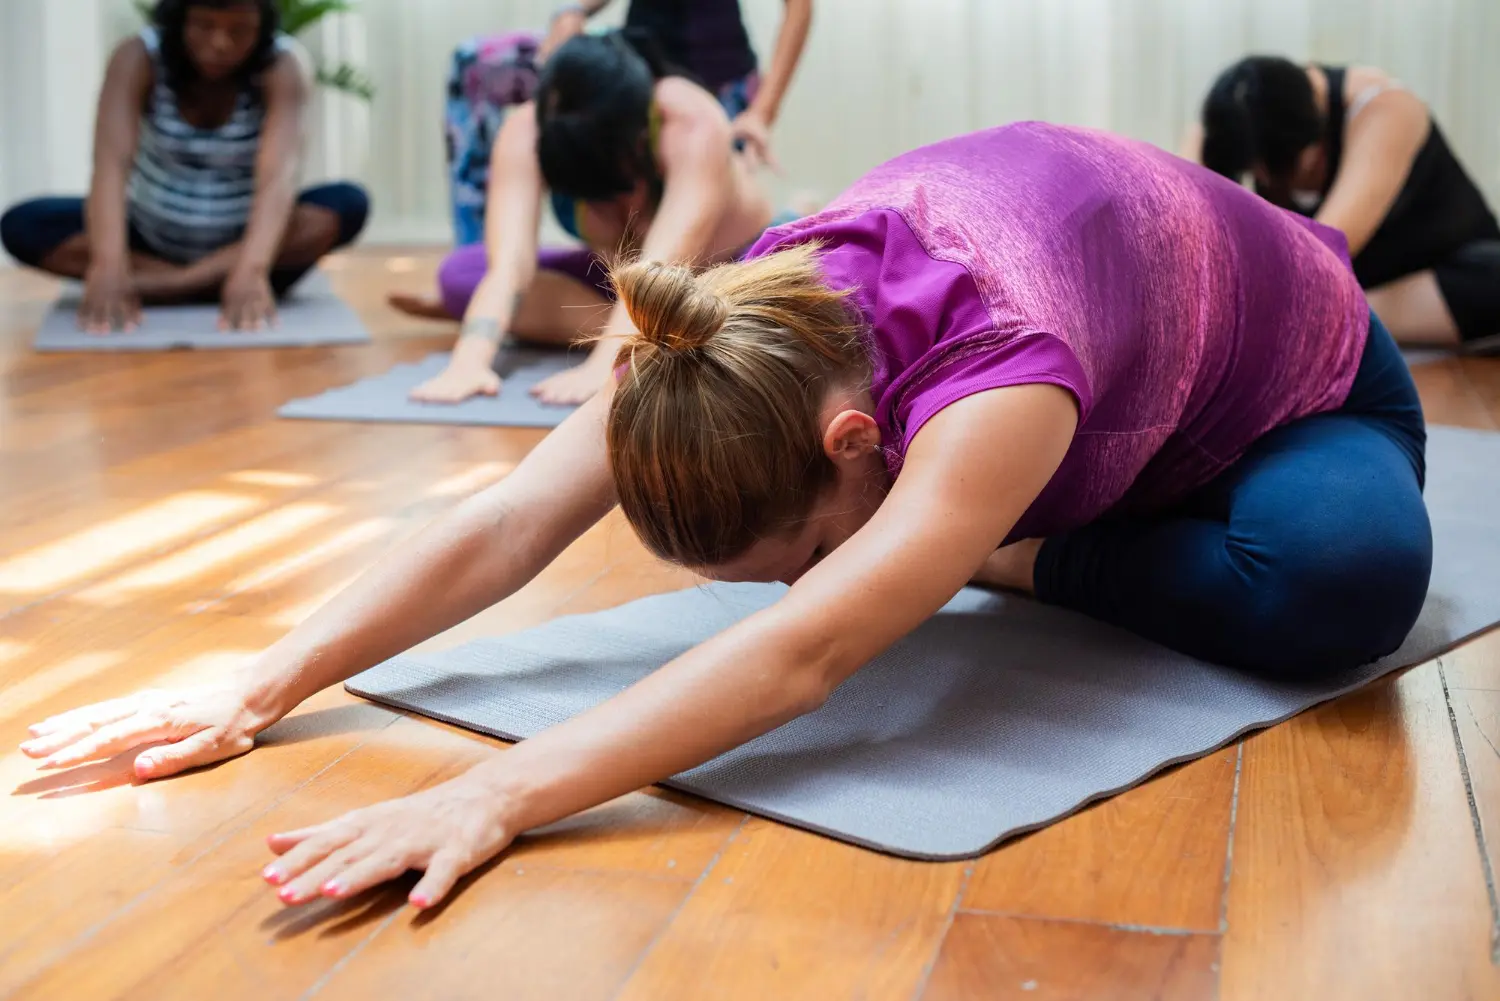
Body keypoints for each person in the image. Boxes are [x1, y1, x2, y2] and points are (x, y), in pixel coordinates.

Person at [22, 123, 1432, 913]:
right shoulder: (714, 334)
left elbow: (812, 657)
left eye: (810, 551)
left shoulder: (993, 367)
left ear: (853, 441)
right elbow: (511, 518)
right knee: (932, 552)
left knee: (1345, 584)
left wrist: (497, 789)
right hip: (1094, 407)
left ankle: (1019, 548)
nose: (804, 587)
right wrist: (258, 680)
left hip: (1296, 397)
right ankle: (987, 540)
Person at [402, 30, 782, 408]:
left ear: (637, 137)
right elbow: (509, 268)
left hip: (728, 274)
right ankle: (677, 336)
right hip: (625, 290)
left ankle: (668, 332)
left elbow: (660, 269)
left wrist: (606, 365)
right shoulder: (530, 129)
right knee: (460, 275)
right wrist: (468, 362)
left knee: (818, 281)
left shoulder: (691, 122)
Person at [0, 0, 370, 333]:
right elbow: (111, 166)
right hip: (150, 238)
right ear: (178, 21)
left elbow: (278, 179)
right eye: (204, 26)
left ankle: (166, 287)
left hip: (243, 244)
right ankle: (202, 283)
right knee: (24, 223)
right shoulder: (137, 57)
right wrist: (109, 264)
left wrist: (253, 268)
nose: (221, 43)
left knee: (346, 204)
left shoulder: (283, 65)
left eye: (239, 31)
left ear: (261, 29)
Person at [419, 0, 812, 255]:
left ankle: (795, 218)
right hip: (630, 61)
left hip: (716, 78)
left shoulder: (697, 121)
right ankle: (477, 257)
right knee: (471, 65)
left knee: (708, 246)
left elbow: (799, 7)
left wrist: (761, 112)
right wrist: (572, 11)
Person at [1183, 56, 1500, 351]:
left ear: (1313, 136)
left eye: (1279, 171)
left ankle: (1331, 319)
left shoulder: (1384, 109)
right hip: (1350, 286)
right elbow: (1189, 239)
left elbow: (1315, 257)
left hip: (1438, 277)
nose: (1267, 183)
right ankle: (1327, 318)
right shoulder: (1244, 124)